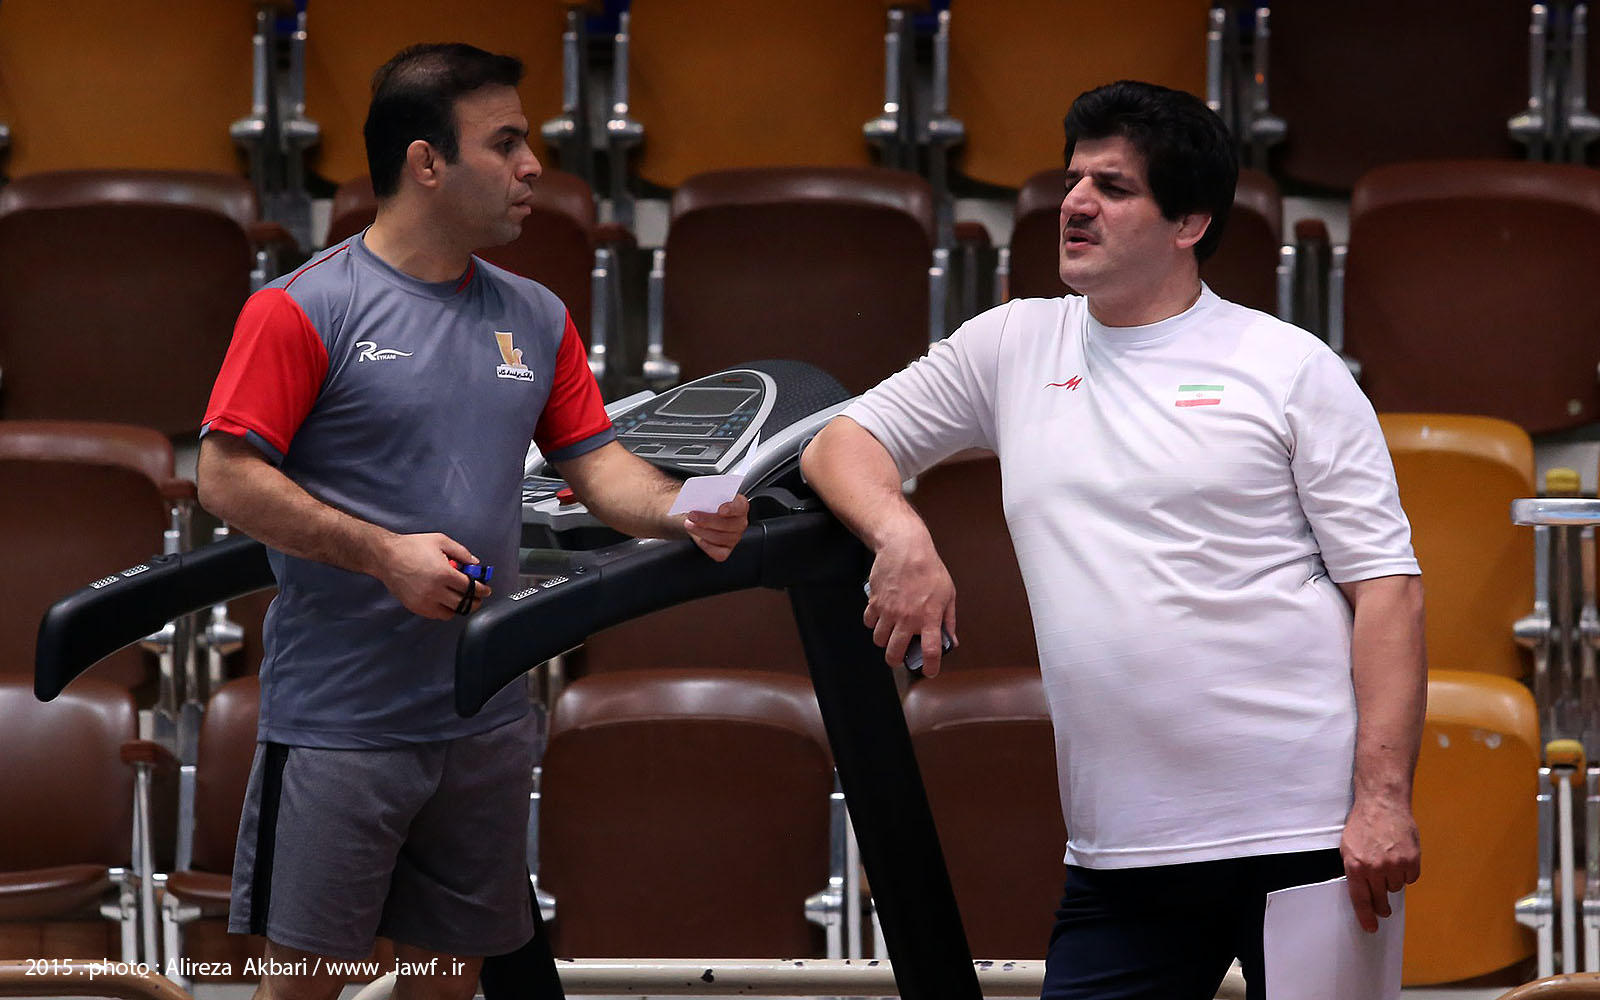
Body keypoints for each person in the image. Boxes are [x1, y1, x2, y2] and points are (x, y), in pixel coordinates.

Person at [800, 80, 1424, 1000]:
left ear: (1189, 223)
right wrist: (901, 536)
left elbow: (1388, 590)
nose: (1076, 203)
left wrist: (1381, 801)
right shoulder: (1014, 343)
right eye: (1073, 180)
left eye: (1114, 186)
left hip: (1307, 832)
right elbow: (839, 442)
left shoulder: (1289, 366)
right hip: (1120, 849)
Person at [195, 43, 749, 1000]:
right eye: (506, 143)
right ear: (426, 162)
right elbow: (224, 477)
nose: (533, 167)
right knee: (305, 988)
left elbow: (600, 468)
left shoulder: (536, 314)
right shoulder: (302, 309)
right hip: (340, 723)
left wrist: (689, 507)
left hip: (484, 717)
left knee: (449, 984)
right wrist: (383, 555)